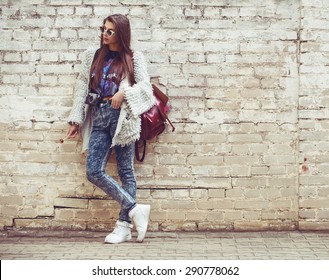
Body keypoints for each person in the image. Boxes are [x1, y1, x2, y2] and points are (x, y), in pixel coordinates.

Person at [65, 14, 156, 244]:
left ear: (121, 34)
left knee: (126, 172)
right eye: (103, 29)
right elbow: (81, 87)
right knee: (93, 171)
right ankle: (135, 209)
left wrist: (124, 92)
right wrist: (76, 119)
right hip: (98, 115)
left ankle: (123, 226)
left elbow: (146, 89)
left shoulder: (133, 58)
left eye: (110, 31)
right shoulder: (93, 56)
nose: (104, 34)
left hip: (122, 119)